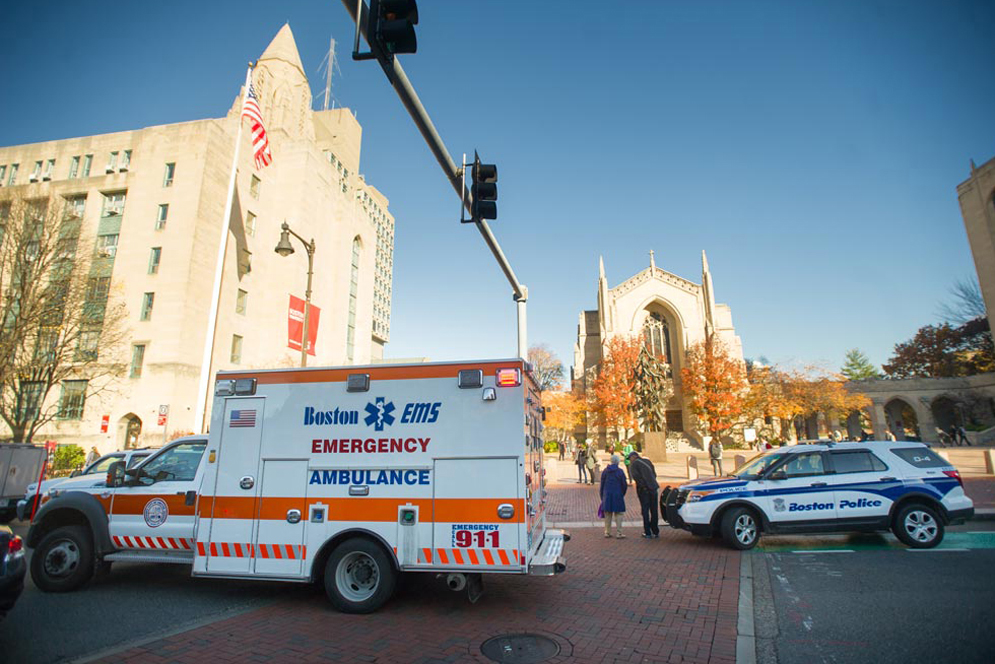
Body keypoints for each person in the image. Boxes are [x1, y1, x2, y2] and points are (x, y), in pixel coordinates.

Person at [628, 451, 660, 538]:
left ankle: (647, 531)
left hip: (644, 490)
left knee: (645, 510)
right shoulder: (647, 462)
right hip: (653, 488)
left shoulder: (634, 465)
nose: (630, 461)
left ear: (633, 457)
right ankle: (655, 531)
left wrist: (643, 486)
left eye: (630, 458)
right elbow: (654, 474)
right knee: (654, 510)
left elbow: (637, 478)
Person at [600, 454, 628, 538]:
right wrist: (622, 493)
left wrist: (602, 495)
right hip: (618, 494)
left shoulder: (605, 471)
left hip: (607, 495)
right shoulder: (620, 471)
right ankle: (619, 532)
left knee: (608, 514)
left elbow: (602, 484)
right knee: (619, 514)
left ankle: (607, 532)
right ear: (618, 462)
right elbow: (624, 485)